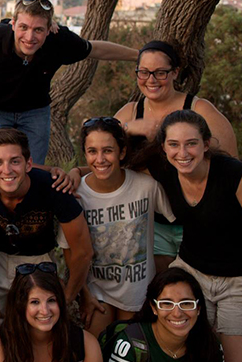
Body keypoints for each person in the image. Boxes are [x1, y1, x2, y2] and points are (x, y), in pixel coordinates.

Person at [112, 41, 238, 274]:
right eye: (144, 72)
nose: (151, 79)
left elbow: (230, 167)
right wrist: (131, 127)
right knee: (162, 289)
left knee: (197, 290)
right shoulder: (130, 111)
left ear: (175, 72)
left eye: (160, 72)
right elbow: (100, 146)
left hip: (196, 221)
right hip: (152, 223)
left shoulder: (201, 110)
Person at [0, 0, 138, 164]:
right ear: (13, 24)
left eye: (38, 30)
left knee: (33, 168)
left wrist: (139, 56)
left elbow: (95, 50)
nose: (29, 37)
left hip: (34, 111)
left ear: (49, 29)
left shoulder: (59, 41)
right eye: (23, 27)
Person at [150, 110, 242, 362]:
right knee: (185, 352)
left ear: (206, 144)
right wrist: (76, 173)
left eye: (191, 144)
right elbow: (112, 167)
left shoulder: (234, 175)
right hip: (192, 272)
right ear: (163, 147)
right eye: (174, 144)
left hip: (240, 281)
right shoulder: (163, 168)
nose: (183, 153)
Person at [0, 128, 92, 327]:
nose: (7, 170)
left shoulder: (53, 187)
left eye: (15, 161)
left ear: (28, 164)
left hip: (38, 258)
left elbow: (83, 252)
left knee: (40, 325)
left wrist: (67, 298)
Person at [59, 117, 174, 336]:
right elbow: (69, 250)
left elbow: (177, 220)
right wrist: (84, 294)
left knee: (129, 350)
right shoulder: (76, 194)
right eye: (92, 151)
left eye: (108, 150)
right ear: (84, 154)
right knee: (98, 346)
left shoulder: (145, 186)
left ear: (122, 152)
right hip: (97, 292)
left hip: (138, 292)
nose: (100, 159)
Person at [100, 267, 223, 362]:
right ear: (154, 308)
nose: (177, 313)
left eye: (186, 303)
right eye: (167, 303)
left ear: (198, 308)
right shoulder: (131, 344)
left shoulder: (209, 344)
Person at [0, 262, 102, 362]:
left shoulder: (86, 343)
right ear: (19, 305)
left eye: (51, 300)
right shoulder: (1, 344)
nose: (45, 310)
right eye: (35, 302)